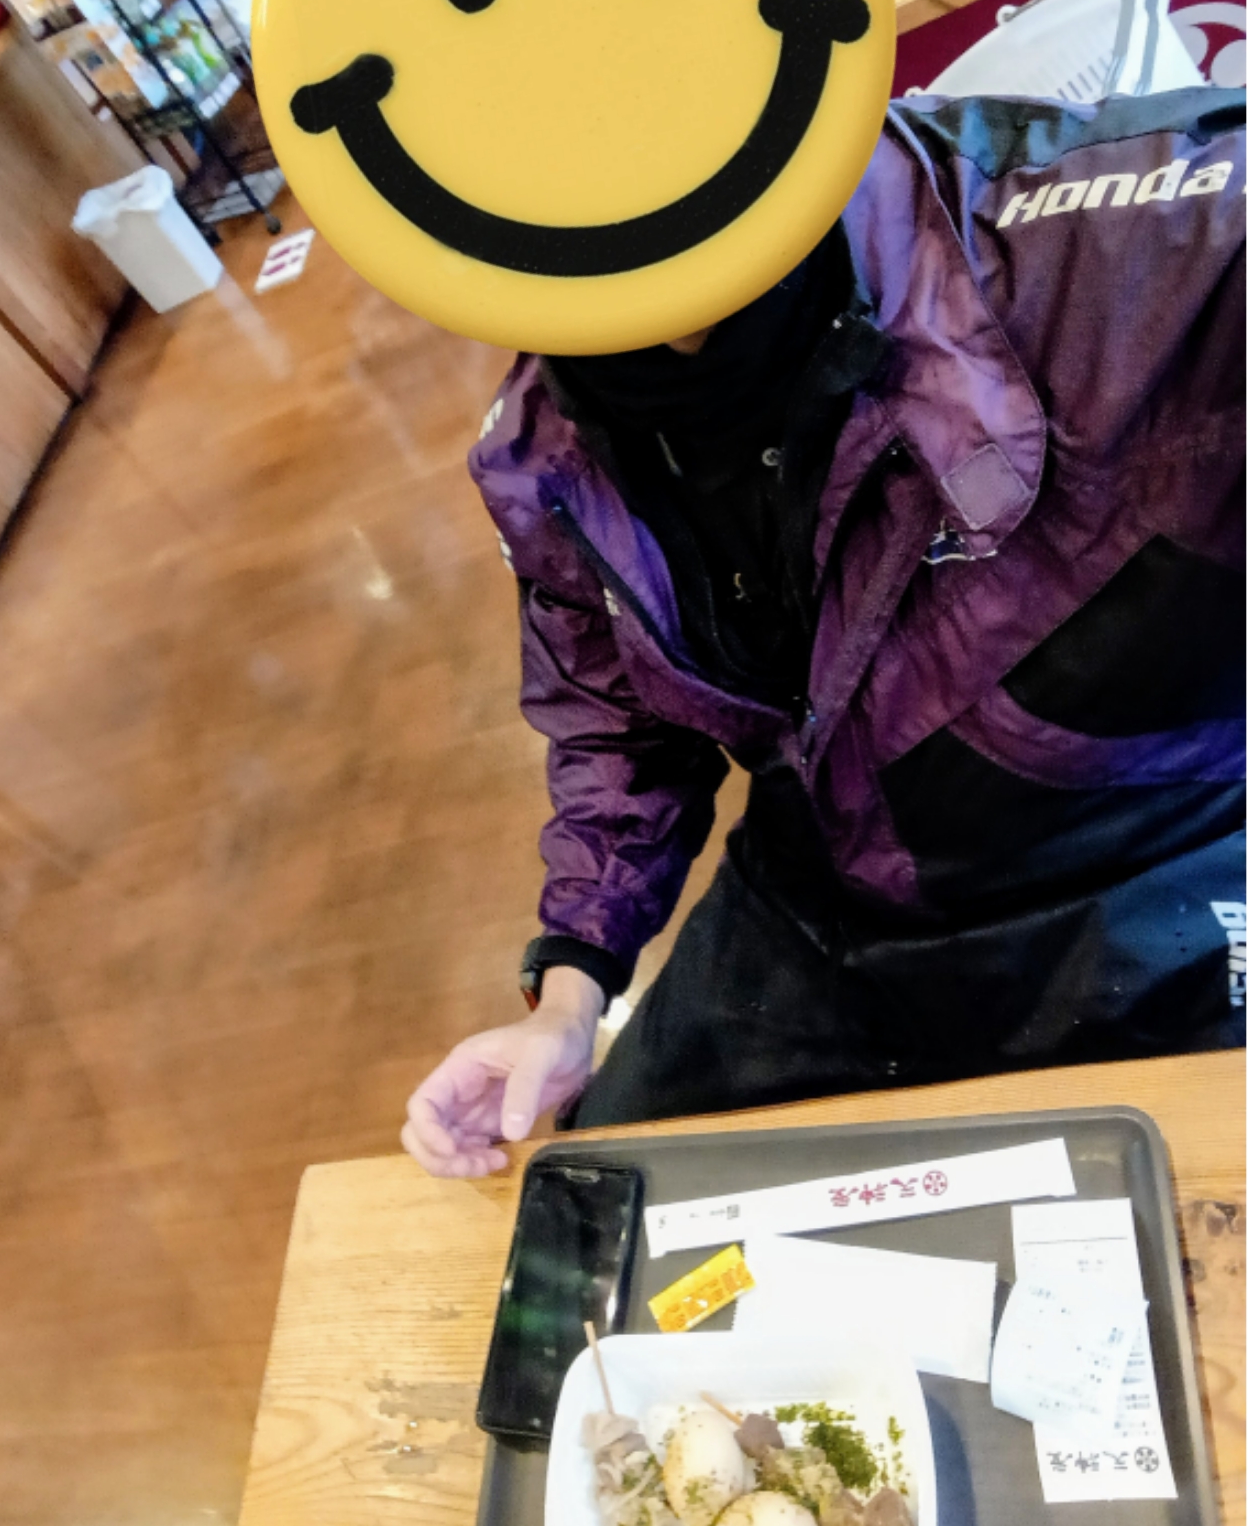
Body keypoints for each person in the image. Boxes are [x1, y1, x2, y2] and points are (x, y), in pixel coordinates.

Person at [400, 86, 1246, 1178]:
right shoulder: (542, 448)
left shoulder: (1120, 246)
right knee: (605, 1200)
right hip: (825, 896)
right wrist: (569, 997)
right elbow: (619, 724)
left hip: (1144, 872)